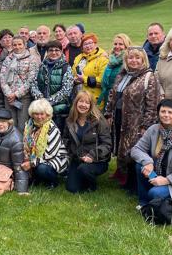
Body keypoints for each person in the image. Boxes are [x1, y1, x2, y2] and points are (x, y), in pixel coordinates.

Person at [105, 46, 161, 192]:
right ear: (126, 60)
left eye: (137, 58)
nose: (134, 61)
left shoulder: (149, 77)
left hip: (136, 121)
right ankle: (121, 172)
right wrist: (108, 113)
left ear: (143, 60)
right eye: (131, 58)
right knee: (120, 145)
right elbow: (113, 94)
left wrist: (146, 125)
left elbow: (152, 104)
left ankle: (133, 182)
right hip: (119, 117)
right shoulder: (122, 74)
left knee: (133, 149)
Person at [64, 91, 112, 193]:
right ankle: (82, 178)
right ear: (76, 103)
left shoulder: (99, 120)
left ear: (91, 105)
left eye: (87, 102)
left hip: (97, 160)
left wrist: (92, 156)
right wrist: (72, 154)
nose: (83, 105)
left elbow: (107, 144)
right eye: (81, 101)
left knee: (84, 170)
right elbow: (65, 140)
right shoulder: (70, 120)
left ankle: (92, 185)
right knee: (72, 189)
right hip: (77, 159)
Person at [21, 99, 69, 188]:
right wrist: (26, 158)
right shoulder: (29, 125)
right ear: (32, 114)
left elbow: (50, 154)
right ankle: (37, 178)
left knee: (41, 169)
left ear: (47, 114)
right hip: (36, 158)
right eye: (36, 114)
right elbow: (25, 144)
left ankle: (53, 181)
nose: (39, 117)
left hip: (53, 159)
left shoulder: (52, 129)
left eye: (42, 114)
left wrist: (31, 164)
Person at [31, 40, 74, 133]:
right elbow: (34, 84)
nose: (54, 53)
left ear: (61, 51)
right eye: (51, 50)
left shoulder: (66, 67)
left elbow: (66, 90)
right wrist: (40, 98)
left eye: (57, 50)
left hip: (58, 111)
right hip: (41, 111)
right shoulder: (41, 66)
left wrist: (48, 102)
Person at [0, 36, 40, 131]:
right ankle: (12, 144)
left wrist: (16, 94)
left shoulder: (31, 59)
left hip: (24, 97)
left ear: (25, 45)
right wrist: (9, 94)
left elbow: (31, 79)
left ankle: (23, 145)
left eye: (19, 44)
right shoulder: (8, 59)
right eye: (14, 44)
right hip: (9, 97)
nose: (17, 47)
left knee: (23, 125)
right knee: (10, 124)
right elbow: (2, 77)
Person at [72, 33, 109, 105]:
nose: (88, 46)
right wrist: (74, 80)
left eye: (90, 43)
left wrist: (84, 79)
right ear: (82, 47)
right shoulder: (78, 58)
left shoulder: (103, 59)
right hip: (78, 99)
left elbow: (103, 81)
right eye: (85, 44)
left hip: (94, 100)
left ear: (95, 44)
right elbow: (72, 74)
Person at [98, 33, 131, 110]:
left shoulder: (127, 62)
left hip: (120, 100)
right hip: (107, 97)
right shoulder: (111, 60)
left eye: (121, 44)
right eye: (115, 44)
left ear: (126, 46)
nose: (117, 47)